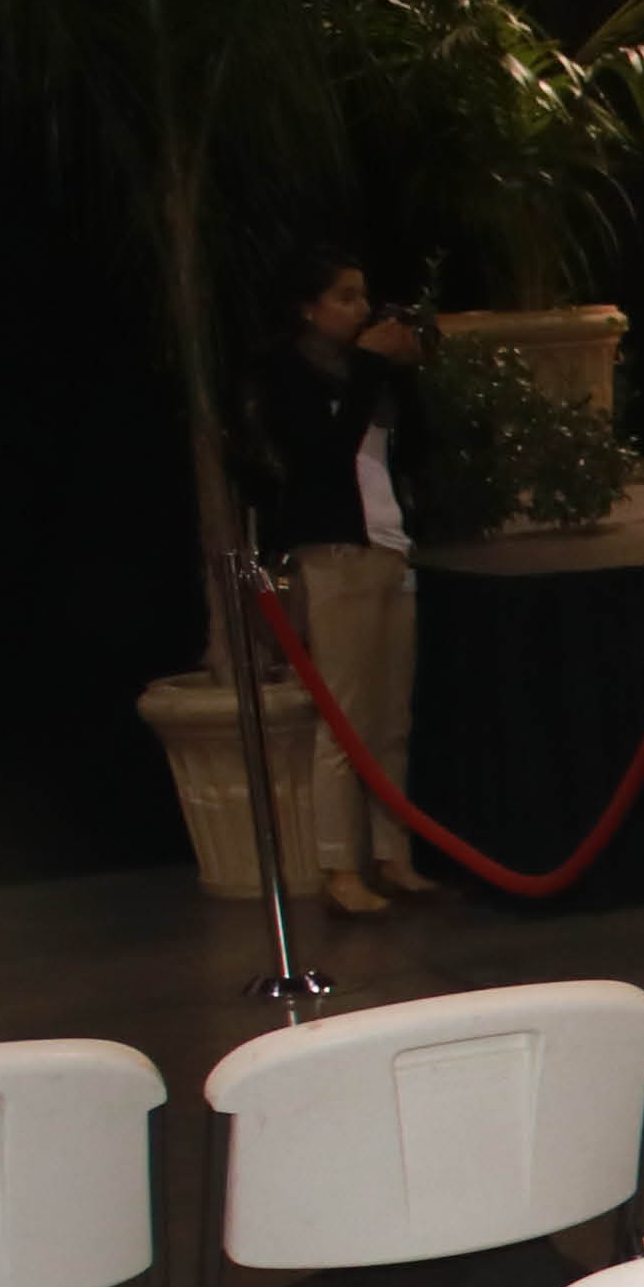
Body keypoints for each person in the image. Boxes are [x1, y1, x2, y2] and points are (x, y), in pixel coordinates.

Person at [248, 248, 438, 917]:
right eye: (346, 297)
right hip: (335, 553)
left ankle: (394, 853)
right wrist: (370, 366)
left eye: (365, 297)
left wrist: (402, 373)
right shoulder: (288, 373)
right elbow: (321, 458)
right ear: (309, 307)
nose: (361, 309)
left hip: (390, 547)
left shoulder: (372, 375)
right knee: (345, 715)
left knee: (391, 717)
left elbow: (413, 452)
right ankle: (339, 865)